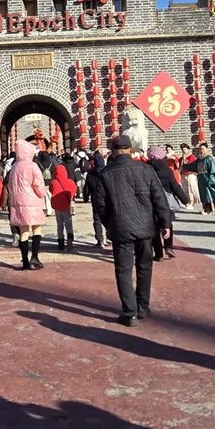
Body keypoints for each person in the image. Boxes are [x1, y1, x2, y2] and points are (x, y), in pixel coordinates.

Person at [93, 135, 171, 325]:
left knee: (123, 270)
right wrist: (165, 223)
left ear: (113, 151)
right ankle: (142, 306)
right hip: (145, 227)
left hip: (121, 228)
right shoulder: (146, 169)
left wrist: (110, 224)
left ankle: (130, 313)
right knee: (145, 267)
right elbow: (159, 198)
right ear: (130, 149)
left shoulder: (105, 174)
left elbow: (100, 205)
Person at [7, 139, 46, 269]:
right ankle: (34, 257)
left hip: (18, 203)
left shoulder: (14, 167)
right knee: (36, 229)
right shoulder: (33, 166)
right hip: (33, 202)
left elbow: (10, 185)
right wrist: (42, 194)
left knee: (24, 232)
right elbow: (39, 185)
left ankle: (25, 261)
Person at [146, 145, 188, 260]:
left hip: (152, 203)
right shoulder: (167, 170)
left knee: (154, 228)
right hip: (167, 203)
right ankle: (168, 246)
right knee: (167, 224)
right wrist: (185, 200)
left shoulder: (146, 170)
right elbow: (175, 187)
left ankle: (158, 254)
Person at [83, 152, 109, 248]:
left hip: (96, 199)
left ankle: (100, 239)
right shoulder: (108, 171)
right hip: (108, 198)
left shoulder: (90, 173)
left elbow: (86, 188)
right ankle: (109, 236)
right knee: (110, 218)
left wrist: (86, 198)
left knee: (97, 219)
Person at [49, 161, 77, 251]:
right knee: (68, 224)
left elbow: (51, 190)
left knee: (59, 225)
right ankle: (70, 238)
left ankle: (60, 242)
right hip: (67, 206)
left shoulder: (53, 182)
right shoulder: (70, 182)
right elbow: (74, 190)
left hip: (57, 207)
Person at [196, 143, 215, 215]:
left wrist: (211, 179)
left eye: (203, 149)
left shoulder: (208, 158)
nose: (201, 150)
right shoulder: (199, 159)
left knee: (208, 195)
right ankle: (204, 208)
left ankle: (209, 210)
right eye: (200, 149)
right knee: (203, 194)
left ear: (206, 149)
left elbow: (213, 169)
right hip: (201, 179)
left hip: (207, 178)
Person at [180, 142, 201, 210]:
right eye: (183, 150)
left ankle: (192, 203)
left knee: (191, 190)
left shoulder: (192, 157)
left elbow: (189, 166)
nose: (184, 151)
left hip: (190, 175)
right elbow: (180, 166)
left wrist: (184, 159)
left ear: (188, 149)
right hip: (184, 175)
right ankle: (187, 202)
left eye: (185, 149)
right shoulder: (182, 157)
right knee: (185, 190)